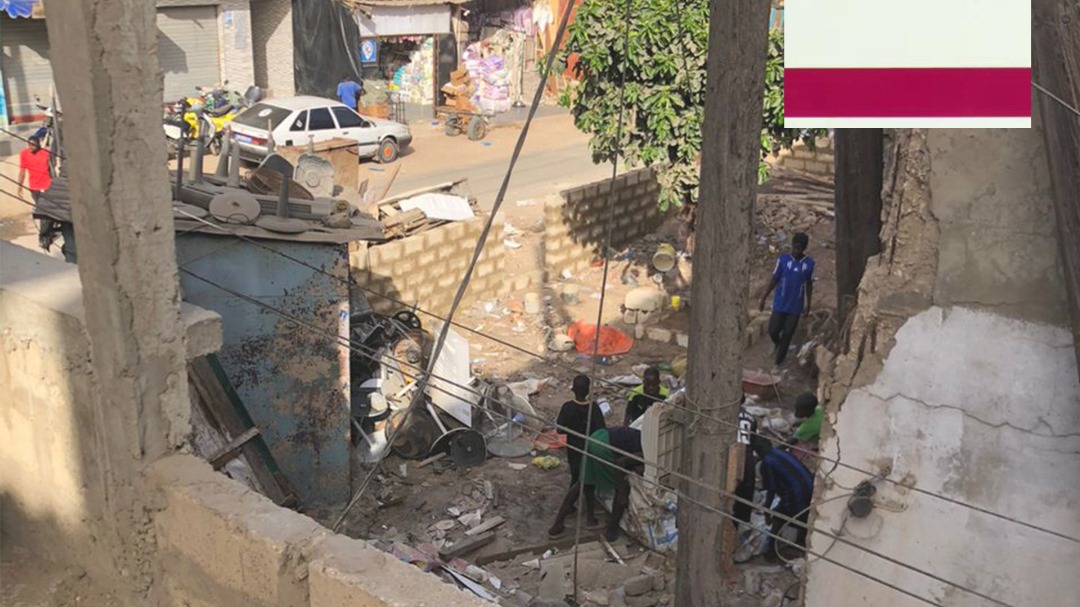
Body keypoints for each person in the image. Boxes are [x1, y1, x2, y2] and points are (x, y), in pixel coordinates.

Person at [548, 425, 643, 541]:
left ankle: (556, 525)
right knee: (622, 491)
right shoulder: (646, 451)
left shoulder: (641, 436)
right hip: (603, 447)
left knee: (582, 483)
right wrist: (621, 482)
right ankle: (611, 531)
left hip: (597, 437)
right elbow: (621, 463)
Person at [751, 436, 814, 558]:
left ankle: (771, 553)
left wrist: (767, 511)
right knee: (802, 516)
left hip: (797, 493)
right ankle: (800, 541)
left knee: (779, 517)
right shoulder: (780, 453)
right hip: (808, 487)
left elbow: (771, 489)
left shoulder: (767, 463)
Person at [758, 232, 815, 368]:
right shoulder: (783, 260)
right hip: (780, 303)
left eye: (799, 249)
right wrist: (764, 297)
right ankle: (777, 343)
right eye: (794, 248)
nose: (796, 251)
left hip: (795, 306)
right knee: (773, 331)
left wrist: (808, 304)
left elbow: (809, 284)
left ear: (803, 248)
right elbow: (774, 279)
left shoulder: (809, 264)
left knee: (788, 334)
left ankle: (779, 361)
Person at [556, 375, 606, 488]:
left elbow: (559, 430)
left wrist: (570, 430)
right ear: (588, 390)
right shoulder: (594, 408)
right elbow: (602, 430)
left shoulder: (567, 407)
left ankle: (571, 502)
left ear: (573, 389)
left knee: (575, 476)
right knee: (589, 479)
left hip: (574, 448)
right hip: (590, 447)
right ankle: (589, 504)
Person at [791, 392, 823, 466]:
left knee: (795, 451)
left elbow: (792, 440)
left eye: (799, 411)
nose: (796, 413)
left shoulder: (806, 427)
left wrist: (778, 448)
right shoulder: (819, 409)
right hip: (818, 430)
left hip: (816, 441)